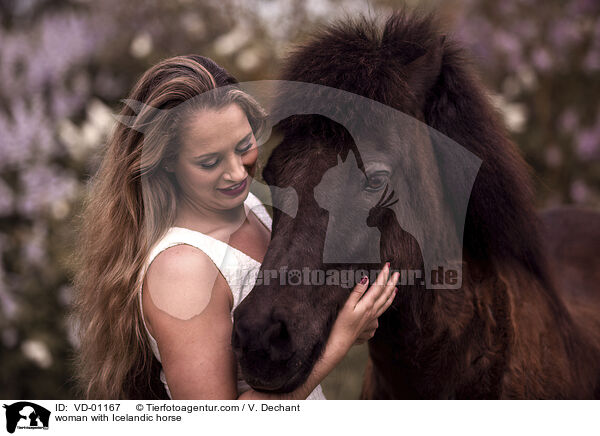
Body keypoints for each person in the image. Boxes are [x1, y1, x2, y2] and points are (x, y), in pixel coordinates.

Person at [72, 55, 399, 400]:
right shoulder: (183, 269)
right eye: (209, 162)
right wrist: (338, 342)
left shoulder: (248, 206)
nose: (237, 173)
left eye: (244, 147)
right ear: (166, 162)